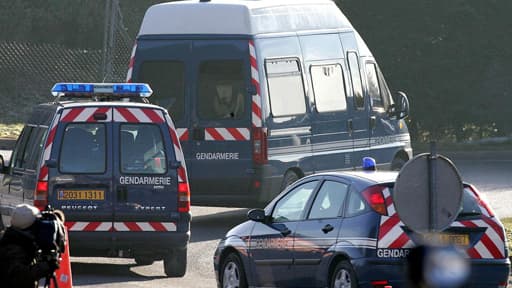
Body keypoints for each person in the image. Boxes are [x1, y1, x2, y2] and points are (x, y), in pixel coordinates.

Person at [0, 204, 60, 288]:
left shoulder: (18, 240)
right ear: (30, 228)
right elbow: (20, 276)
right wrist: (46, 266)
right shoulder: (13, 248)